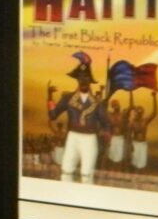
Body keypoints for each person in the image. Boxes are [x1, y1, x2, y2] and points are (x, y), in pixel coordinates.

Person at [47, 52, 110, 184]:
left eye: (86, 79)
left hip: (89, 139)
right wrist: (50, 97)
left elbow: (106, 124)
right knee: (66, 172)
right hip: (72, 138)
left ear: (90, 81)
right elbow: (53, 116)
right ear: (77, 80)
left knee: (86, 175)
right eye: (81, 79)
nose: (84, 82)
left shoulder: (97, 103)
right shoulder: (68, 98)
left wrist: (105, 135)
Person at [128, 90, 158, 171]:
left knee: (142, 164)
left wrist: (154, 97)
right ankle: (133, 179)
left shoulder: (145, 121)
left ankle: (140, 180)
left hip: (143, 144)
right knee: (134, 163)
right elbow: (129, 135)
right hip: (135, 144)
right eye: (137, 111)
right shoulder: (132, 123)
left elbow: (154, 113)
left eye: (140, 111)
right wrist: (130, 145)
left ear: (142, 112)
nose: (138, 113)